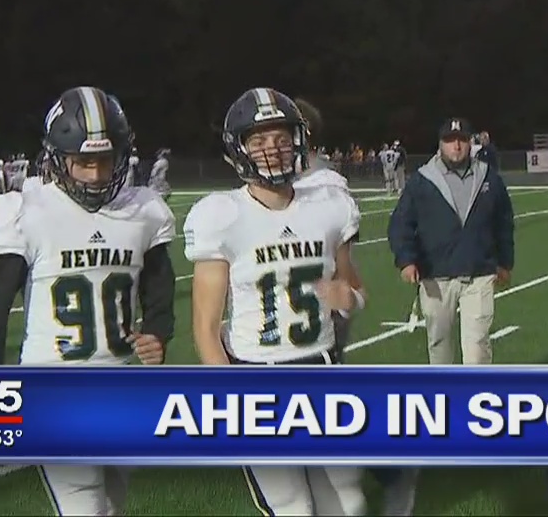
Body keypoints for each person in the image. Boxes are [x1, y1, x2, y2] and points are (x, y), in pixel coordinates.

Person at [0, 86, 178, 516]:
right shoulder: (26, 210)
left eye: (106, 160)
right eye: (85, 162)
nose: (97, 174)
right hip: (55, 386)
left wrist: (158, 331)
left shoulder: (143, 209)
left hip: (120, 379)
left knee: (114, 502)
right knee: (84, 507)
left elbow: (160, 283)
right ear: (57, 158)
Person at [185, 87, 367, 516]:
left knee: (349, 502)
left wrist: (350, 299)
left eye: (282, 139)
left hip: (322, 369)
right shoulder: (222, 215)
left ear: (298, 142)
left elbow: (354, 290)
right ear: (239, 148)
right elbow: (206, 326)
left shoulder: (329, 205)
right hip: (257, 376)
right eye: (259, 141)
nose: (273, 150)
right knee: (293, 509)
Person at [294, 97, 421, 517]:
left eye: (274, 135)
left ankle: (389, 470)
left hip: (319, 310)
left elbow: (342, 264)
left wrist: (343, 300)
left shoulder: (324, 184)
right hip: (286, 317)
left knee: (317, 410)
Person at [386, 118, 514, 366]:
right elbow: (400, 223)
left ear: (470, 143)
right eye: (450, 141)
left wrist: (505, 262)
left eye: (461, 140)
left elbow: (503, 222)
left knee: (477, 350)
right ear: (440, 144)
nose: (456, 146)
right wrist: (406, 260)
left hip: (479, 273)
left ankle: (475, 400)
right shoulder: (422, 180)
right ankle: (444, 397)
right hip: (436, 276)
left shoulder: (489, 177)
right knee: (439, 347)